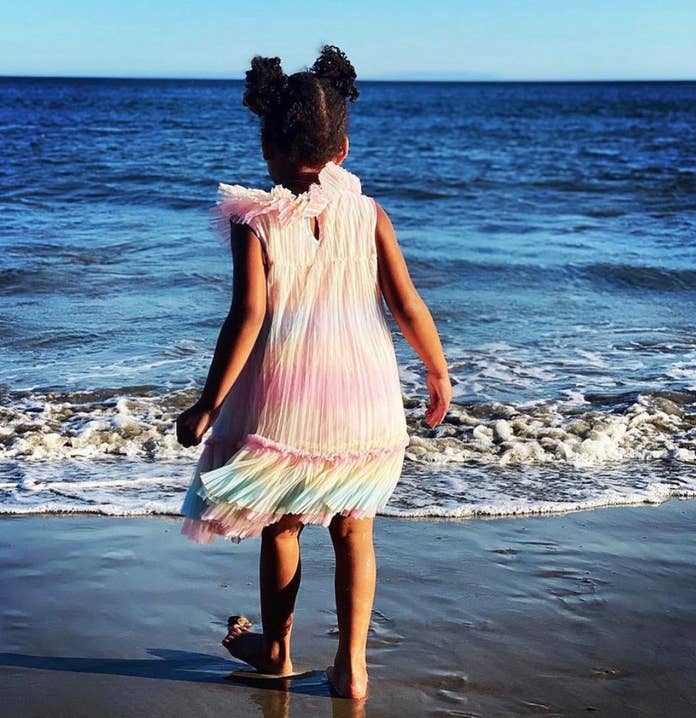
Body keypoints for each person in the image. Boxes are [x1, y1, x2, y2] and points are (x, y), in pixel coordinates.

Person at [176, 45, 451, 700]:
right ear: (343, 149)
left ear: (268, 148)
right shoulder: (369, 214)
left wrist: (208, 403)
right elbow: (407, 302)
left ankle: (277, 648)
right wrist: (437, 372)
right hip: (363, 390)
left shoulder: (255, 220)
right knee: (356, 525)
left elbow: (246, 318)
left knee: (283, 523)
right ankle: (351, 665)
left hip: (286, 392)